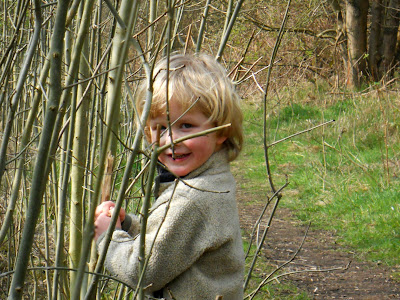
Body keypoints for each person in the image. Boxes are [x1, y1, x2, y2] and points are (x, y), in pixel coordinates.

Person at [94, 53, 245, 299]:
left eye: (186, 126)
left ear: (221, 131)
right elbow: (173, 244)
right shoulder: (209, 182)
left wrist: (108, 237)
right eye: (161, 128)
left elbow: (142, 273)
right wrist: (129, 226)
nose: (171, 141)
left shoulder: (194, 199)